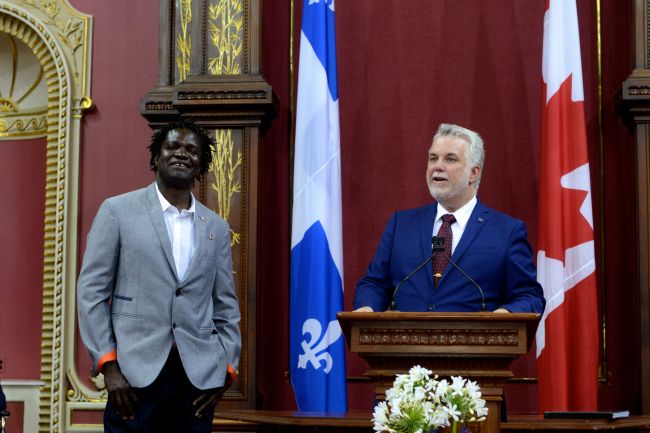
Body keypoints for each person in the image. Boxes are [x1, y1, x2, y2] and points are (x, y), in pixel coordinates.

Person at [77, 120, 241, 433]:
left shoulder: (216, 227)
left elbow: (226, 305)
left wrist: (227, 368)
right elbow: (91, 293)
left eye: (192, 150)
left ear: (201, 164)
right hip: (132, 378)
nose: (182, 153)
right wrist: (107, 364)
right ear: (156, 157)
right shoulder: (117, 211)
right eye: (173, 146)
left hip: (197, 383)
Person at [353, 123, 545, 314]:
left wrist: (505, 315)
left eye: (450, 159)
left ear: (473, 172)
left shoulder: (506, 231)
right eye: (433, 158)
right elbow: (374, 283)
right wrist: (367, 308)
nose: (438, 166)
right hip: (406, 342)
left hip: (475, 343)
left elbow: (529, 296)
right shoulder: (401, 224)